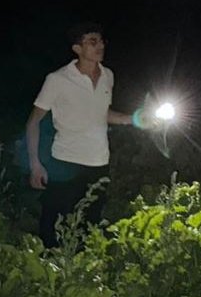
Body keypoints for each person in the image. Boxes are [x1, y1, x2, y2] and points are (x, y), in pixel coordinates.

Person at [25, 22, 145, 247]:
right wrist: (35, 164)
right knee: (55, 225)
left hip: (99, 162)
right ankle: (49, 270)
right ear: (77, 48)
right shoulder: (58, 79)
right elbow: (34, 122)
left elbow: (101, 113)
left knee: (90, 223)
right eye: (92, 42)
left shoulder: (108, 75)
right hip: (65, 162)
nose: (100, 46)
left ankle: (83, 273)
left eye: (101, 41)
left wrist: (134, 119)